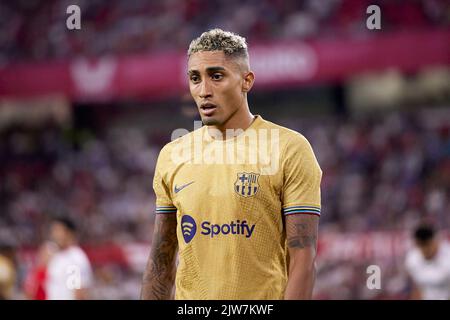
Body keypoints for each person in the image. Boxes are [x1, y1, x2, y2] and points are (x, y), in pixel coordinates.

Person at [141, 29, 322, 300]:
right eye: (195, 78)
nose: (204, 91)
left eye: (216, 76)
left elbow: (303, 260)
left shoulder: (289, 148)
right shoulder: (172, 155)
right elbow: (161, 261)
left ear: (246, 80)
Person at [46, 217, 93, 300]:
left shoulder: (74, 258)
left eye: (58, 230)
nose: (54, 235)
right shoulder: (56, 257)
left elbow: (79, 293)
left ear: (69, 233)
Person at [405, 223, 450, 300]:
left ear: (435, 241)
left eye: (427, 245)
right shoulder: (412, 259)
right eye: (421, 246)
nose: (425, 250)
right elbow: (416, 289)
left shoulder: (447, 257)